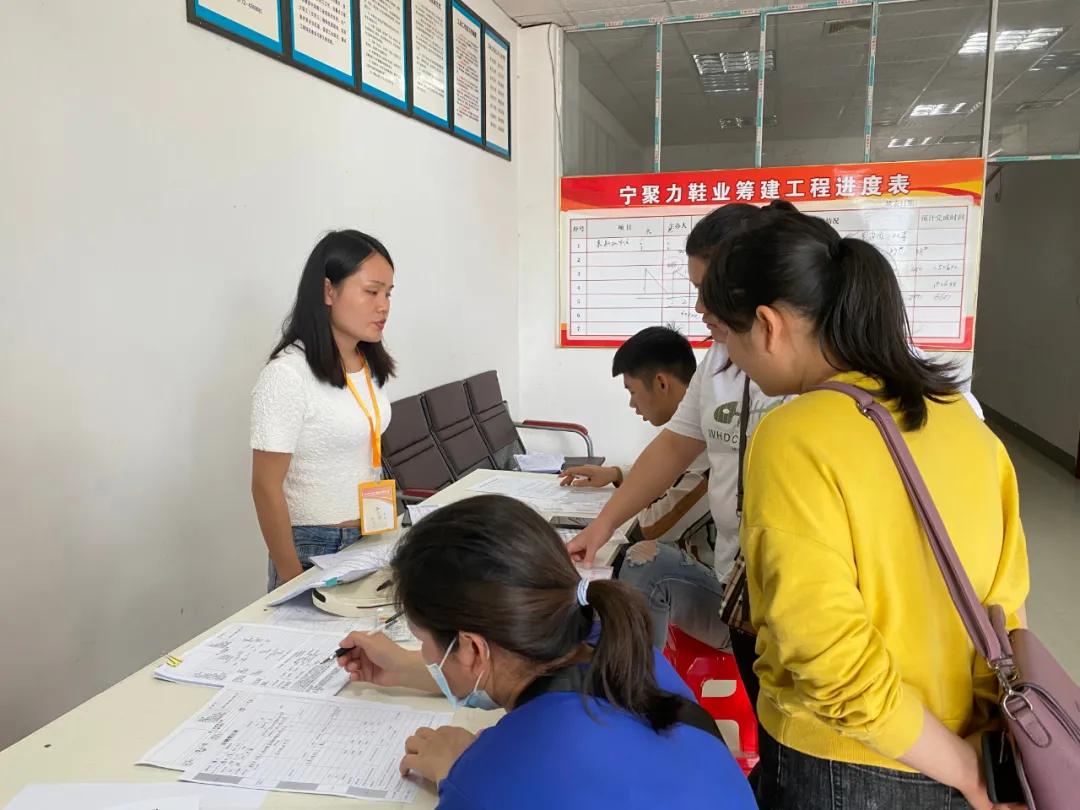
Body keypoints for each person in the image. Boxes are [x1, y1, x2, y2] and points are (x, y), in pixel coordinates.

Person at [705, 204, 1028, 810]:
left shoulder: (795, 434)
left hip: (847, 763)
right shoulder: (961, 419)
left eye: (726, 340)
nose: (731, 364)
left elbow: (828, 653)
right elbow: (1007, 606)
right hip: (971, 742)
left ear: (770, 325)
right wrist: (971, 760)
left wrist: (959, 768)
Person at [334, 495, 756, 810]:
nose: (424, 654)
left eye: (423, 643)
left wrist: (457, 772)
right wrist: (407, 667)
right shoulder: (613, 643)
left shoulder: (484, 785)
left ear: (473, 648)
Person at [567, 204, 786, 704]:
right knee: (769, 717)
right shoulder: (718, 362)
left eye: (706, 293)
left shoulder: (811, 379)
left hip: (794, 593)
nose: (699, 310)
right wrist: (599, 530)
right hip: (740, 588)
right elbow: (671, 448)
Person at [251, 230, 395, 591]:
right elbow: (265, 487)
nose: (384, 306)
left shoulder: (366, 363)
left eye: (388, 294)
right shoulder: (287, 375)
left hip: (370, 538)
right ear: (329, 291)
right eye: (372, 291)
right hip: (315, 547)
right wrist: (291, 581)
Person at [561, 325, 715, 567]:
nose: (632, 404)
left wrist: (614, 512)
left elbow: (653, 526)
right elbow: (669, 471)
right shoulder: (698, 424)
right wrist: (615, 474)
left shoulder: (710, 448)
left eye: (632, 391)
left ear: (661, 383)